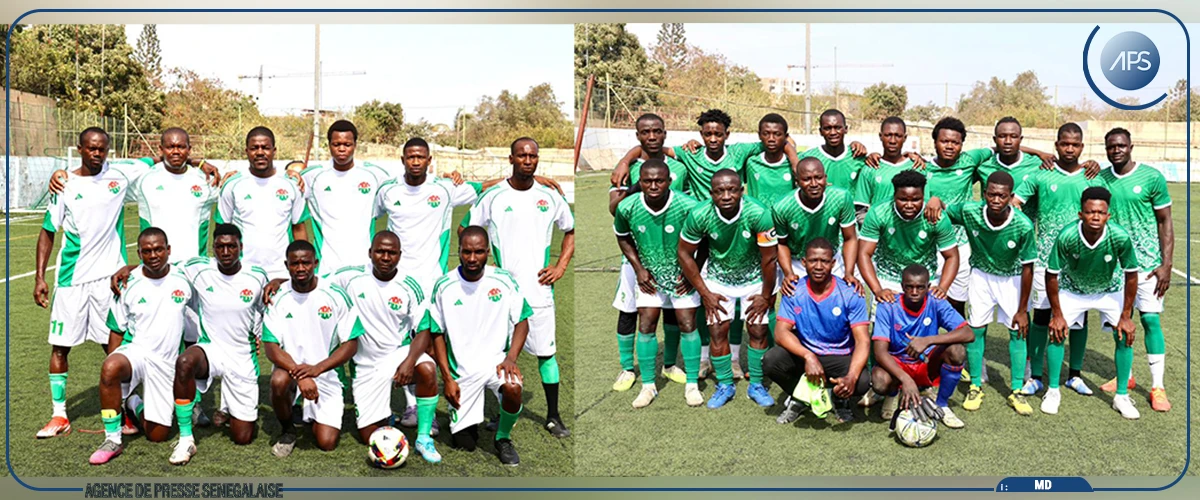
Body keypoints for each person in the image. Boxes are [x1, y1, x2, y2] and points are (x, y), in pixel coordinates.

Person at [110, 224, 269, 464]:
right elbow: (158, 264)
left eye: (231, 246)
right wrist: (129, 269)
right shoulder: (197, 268)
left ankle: (137, 403)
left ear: (241, 248)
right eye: (220, 247)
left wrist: (276, 283)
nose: (226, 252)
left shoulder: (257, 276)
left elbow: (266, 309)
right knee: (184, 362)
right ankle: (186, 438)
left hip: (242, 357)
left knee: (243, 437)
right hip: (211, 349)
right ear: (212, 249)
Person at [459, 137, 575, 438]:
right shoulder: (494, 196)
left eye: (532, 156)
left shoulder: (549, 196)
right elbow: (466, 230)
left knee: (546, 354)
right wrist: (486, 263)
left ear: (538, 159)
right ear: (511, 159)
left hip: (538, 291)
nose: (528, 160)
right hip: (499, 294)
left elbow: (570, 231)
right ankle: (499, 413)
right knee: (497, 355)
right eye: (521, 155)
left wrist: (560, 266)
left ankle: (553, 416)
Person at [35, 128, 144, 439]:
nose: (97, 154)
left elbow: (160, 158)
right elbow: (48, 231)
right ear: (80, 149)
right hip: (72, 279)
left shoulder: (120, 176)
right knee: (60, 346)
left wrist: (202, 164)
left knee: (113, 347)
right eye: (92, 149)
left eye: (103, 149)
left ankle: (123, 409)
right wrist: (40, 277)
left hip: (109, 279)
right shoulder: (65, 184)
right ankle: (59, 416)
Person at [926, 172, 1037, 414]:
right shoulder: (970, 211)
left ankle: (1016, 390)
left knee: (1018, 331)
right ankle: (976, 384)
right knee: (976, 328)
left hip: (1013, 278)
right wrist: (936, 200)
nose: (996, 200)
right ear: (984, 194)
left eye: (1002, 196)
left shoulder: (1023, 225)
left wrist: (1022, 309)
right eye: (991, 194)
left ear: (1010, 197)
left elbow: (1029, 267)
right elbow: (945, 209)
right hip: (981, 276)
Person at [327, 231, 442, 463]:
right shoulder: (350, 277)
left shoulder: (410, 285)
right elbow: (314, 281)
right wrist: (281, 282)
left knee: (427, 369)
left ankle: (423, 437)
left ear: (400, 255)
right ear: (370, 253)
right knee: (368, 437)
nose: (386, 257)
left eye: (391, 253)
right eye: (380, 251)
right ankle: (385, 416)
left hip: (397, 354)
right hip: (365, 365)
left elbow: (423, 329)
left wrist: (409, 363)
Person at [1011, 123, 1105, 398]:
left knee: (1079, 319)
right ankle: (1036, 376)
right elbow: (1015, 204)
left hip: (1080, 262)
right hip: (1043, 259)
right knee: (1041, 316)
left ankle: (1074, 375)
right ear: (1056, 145)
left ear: (1082, 147)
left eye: (1075, 145)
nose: (1070, 149)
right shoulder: (1040, 175)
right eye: (1065, 144)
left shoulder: (1092, 178)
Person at [89, 228, 195, 464]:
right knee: (110, 366)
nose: (153, 255)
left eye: (158, 249)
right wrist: (114, 371)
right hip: (136, 353)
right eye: (147, 251)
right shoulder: (127, 283)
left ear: (168, 250)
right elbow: (116, 330)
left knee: (157, 435)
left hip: (166, 363)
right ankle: (113, 439)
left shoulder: (185, 278)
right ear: (139, 254)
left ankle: (133, 403)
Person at [425, 226, 530, 466]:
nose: (472, 259)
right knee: (466, 444)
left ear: (488, 253)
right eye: (467, 252)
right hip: (462, 371)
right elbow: (436, 333)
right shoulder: (444, 285)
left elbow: (523, 321)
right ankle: (462, 420)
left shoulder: (504, 280)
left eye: (479, 252)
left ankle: (502, 437)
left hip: (497, 364)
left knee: (513, 387)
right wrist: (448, 378)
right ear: (458, 251)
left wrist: (511, 358)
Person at [677, 169, 777, 409]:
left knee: (758, 331)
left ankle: (756, 385)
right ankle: (724, 384)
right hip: (718, 281)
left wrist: (765, 295)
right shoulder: (700, 214)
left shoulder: (758, 213)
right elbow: (684, 254)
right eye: (719, 191)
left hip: (753, 280)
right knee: (717, 332)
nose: (726, 195)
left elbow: (769, 259)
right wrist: (705, 293)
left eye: (732, 190)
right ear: (711, 194)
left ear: (741, 190)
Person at [613, 160, 703, 408]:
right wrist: (639, 269)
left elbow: (704, 242)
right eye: (647, 181)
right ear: (639, 181)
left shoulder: (687, 206)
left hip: (681, 277)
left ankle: (692, 384)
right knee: (647, 323)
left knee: (687, 322)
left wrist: (691, 274)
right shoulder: (627, 206)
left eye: (659, 181)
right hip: (649, 278)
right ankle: (648, 386)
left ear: (669, 181)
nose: (653, 185)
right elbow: (622, 237)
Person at [608, 113, 689, 391]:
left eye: (656, 132)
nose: (651, 137)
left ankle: (669, 365)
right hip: (636, 256)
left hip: (672, 255)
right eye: (645, 132)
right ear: (637, 136)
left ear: (665, 134)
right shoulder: (626, 169)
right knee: (629, 310)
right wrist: (633, 177)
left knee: (670, 310)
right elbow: (614, 208)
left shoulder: (680, 166)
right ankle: (627, 368)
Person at [1044, 186, 1141, 418]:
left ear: (1108, 215)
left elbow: (1132, 275)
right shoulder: (1067, 235)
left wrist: (1126, 315)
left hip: (1109, 289)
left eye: (1100, 212)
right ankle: (1053, 390)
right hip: (1073, 289)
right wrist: (1057, 314)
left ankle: (1121, 396)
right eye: (1089, 212)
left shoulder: (1119, 236)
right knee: (1056, 332)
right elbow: (1051, 275)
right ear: (1081, 214)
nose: (1095, 217)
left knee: (1124, 335)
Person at [1097, 128, 1174, 411]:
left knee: (1150, 321)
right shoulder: (1101, 178)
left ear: (1131, 146)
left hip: (1148, 266)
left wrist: (1166, 264)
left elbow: (1165, 222)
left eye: (1120, 146)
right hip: (1114, 267)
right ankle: (1126, 376)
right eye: (1110, 147)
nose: (1116, 150)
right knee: (1120, 323)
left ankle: (1157, 386)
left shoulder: (1152, 177)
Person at [262, 240, 361, 457]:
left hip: (325, 375)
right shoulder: (278, 298)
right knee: (278, 381)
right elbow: (270, 347)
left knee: (327, 442)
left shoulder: (335, 295)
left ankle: (308, 412)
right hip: (290, 372)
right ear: (286, 265)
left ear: (315, 263)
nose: (300, 268)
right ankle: (288, 431)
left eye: (306, 263)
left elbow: (351, 343)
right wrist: (301, 374)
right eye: (294, 263)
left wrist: (316, 370)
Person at [766, 238, 871, 424]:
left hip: (840, 355)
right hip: (807, 354)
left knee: (862, 381)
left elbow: (863, 340)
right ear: (804, 263)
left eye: (824, 261)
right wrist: (808, 356)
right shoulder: (794, 291)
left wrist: (851, 377)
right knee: (771, 361)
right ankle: (801, 398)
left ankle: (839, 398)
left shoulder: (850, 293)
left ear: (833, 263)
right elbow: (781, 333)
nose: (819, 266)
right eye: (813, 260)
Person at [867, 264, 975, 429]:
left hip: (926, 362)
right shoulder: (887, 305)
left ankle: (942, 404)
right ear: (902, 286)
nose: (915, 292)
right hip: (898, 364)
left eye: (920, 287)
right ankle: (893, 393)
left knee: (957, 350)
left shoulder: (936, 302)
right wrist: (906, 379)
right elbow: (880, 352)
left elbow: (968, 334)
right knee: (880, 381)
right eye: (909, 287)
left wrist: (928, 340)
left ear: (928, 287)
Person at [216, 126, 310, 280]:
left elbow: (299, 228)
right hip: (242, 271)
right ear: (246, 151)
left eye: (265, 148)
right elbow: (221, 231)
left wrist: (303, 265)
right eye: (254, 148)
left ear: (274, 151)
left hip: (281, 272)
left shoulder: (292, 185)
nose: (260, 152)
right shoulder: (232, 185)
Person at [298, 120, 391, 273]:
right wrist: (290, 174)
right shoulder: (312, 176)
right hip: (325, 268)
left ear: (355, 145)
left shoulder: (375, 175)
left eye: (347, 145)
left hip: (365, 267)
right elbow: (285, 189)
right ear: (329, 145)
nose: (342, 149)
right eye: (336, 144)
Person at [858, 170, 960, 305]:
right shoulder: (878, 213)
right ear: (894, 196)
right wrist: (878, 290)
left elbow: (952, 256)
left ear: (924, 196)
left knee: (925, 325)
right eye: (903, 199)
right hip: (887, 280)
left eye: (916, 199)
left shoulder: (936, 217)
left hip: (924, 281)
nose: (909, 205)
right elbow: (863, 253)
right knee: (883, 325)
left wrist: (942, 287)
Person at [773, 157, 861, 295]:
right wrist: (789, 273)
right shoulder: (782, 207)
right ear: (797, 182)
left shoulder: (841, 198)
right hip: (798, 260)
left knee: (840, 301)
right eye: (807, 179)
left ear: (825, 178)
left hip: (831, 259)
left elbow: (850, 238)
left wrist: (849, 272)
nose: (814, 184)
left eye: (818, 178)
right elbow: (781, 244)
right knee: (799, 307)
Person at [853, 117, 919, 212]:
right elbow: (861, 208)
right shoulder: (870, 167)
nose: (892, 141)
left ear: (905, 138)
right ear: (880, 136)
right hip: (877, 226)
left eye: (898, 136)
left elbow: (924, 205)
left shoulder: (916, 167)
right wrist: (873, 226)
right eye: (888, 135)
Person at [796, 109, 869, 193]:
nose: (833, 132)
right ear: (820, 131)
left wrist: (874, 155)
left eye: (838, 127)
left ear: (846, 129)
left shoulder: (857, 156)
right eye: (827, 128)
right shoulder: (808, 159)